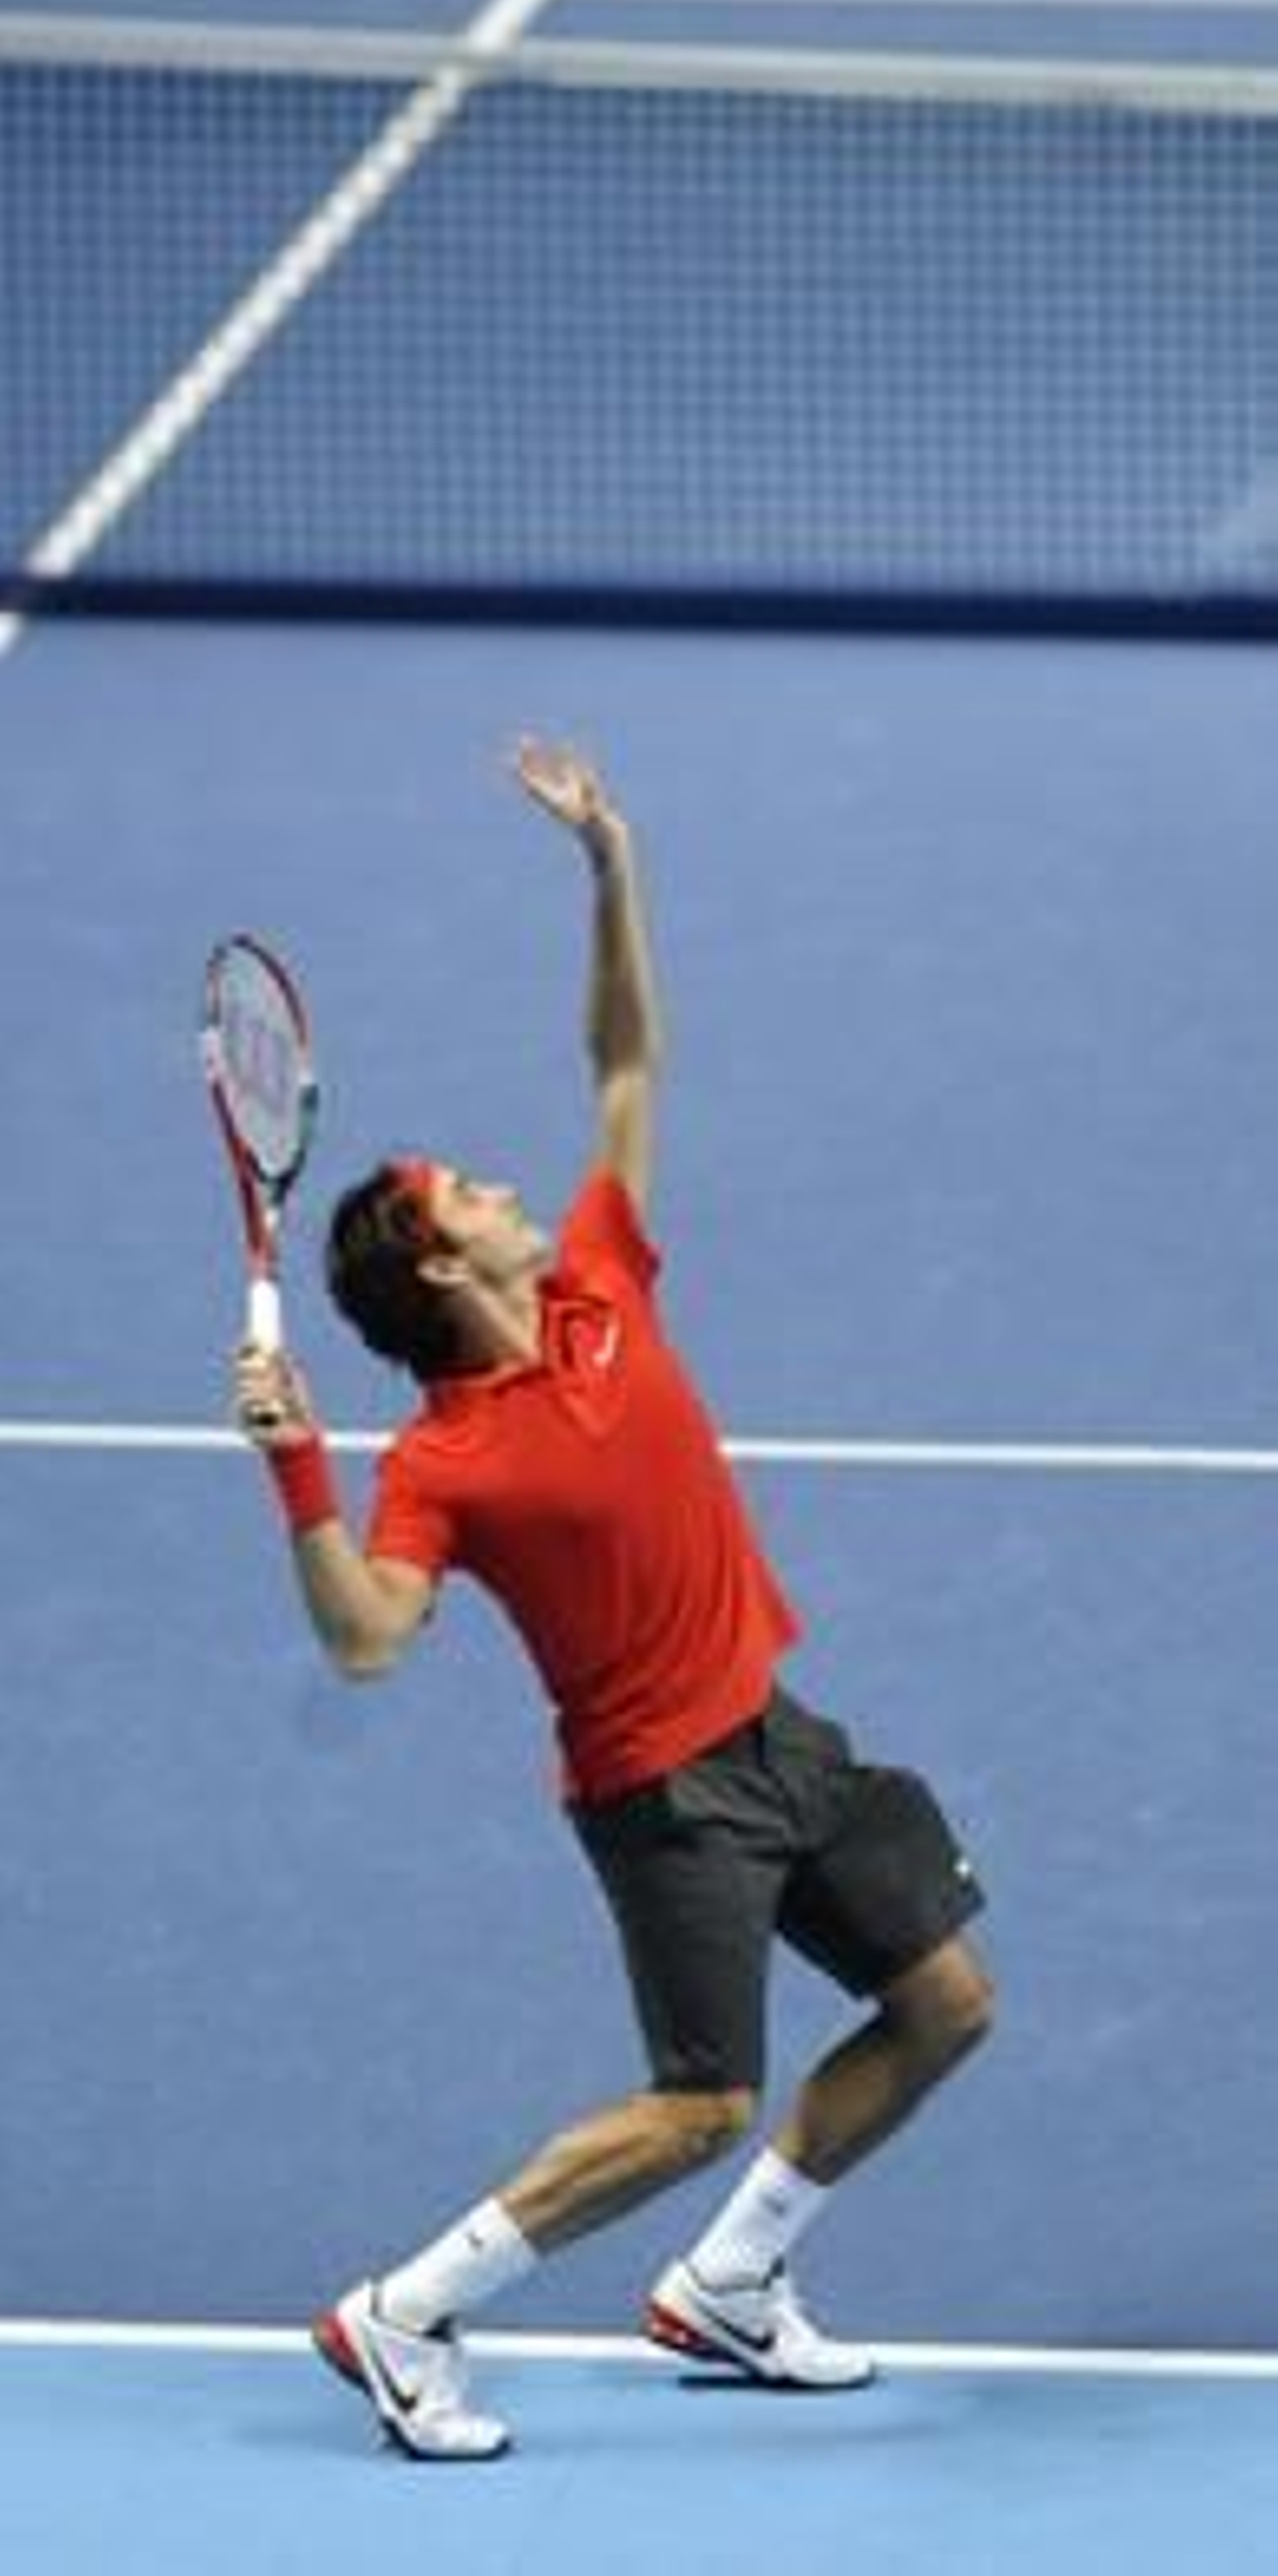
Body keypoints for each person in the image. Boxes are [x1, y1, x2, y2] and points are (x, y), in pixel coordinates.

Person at [235, 741, 993, 2463]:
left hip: (777, 1731)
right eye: (465, 1194)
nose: (502, 1185)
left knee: (945, 2001)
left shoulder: (596, 1280)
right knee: (700, 2101)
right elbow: (369, 1642)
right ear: (445, 1263)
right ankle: (402, 2312)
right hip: (664, 1800)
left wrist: (608, 869)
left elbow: (626, 1059)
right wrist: (297, 1475)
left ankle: (731, 2281)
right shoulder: (442, 1463)